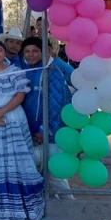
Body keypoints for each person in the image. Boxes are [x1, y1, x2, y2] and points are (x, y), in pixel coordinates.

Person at [0, 40, 44, 220]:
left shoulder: (15, 71)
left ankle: (17, 208)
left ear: (5, 52)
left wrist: (1, 112)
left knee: (14, 163)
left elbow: (20, 95)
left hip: (11, 120)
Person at [20, 37, 75, 198]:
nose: (30, 55)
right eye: (27, 52)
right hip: (34, 130)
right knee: (40, 170)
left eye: (35, 51)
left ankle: (69, 205)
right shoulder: (33, 68)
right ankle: (47, 202)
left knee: (54, 173)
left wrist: (45, 129)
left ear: (47, 51)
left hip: (51, 132)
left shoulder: (54, 69)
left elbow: (55, 104)